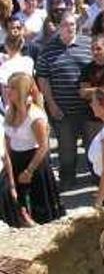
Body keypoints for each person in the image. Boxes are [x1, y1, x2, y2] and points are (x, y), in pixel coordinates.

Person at [36, 12, 98, 189]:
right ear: (58, 27)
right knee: (66, 151)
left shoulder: (87, 45)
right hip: (63, 111)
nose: (69, 28)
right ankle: (67, 182)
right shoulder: (47, 50)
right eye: (65, 25)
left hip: (89, 110)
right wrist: (51, 104)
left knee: (93, 147)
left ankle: (98, 179)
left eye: (72, 24)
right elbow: (43, 79)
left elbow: (98, 68)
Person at [3, 73, 64, 224]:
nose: (7, 91)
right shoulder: (9, 111)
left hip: (35, 162)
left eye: (12, 88)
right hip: (16, 161)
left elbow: (43, 146)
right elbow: (8, 143)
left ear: (22, 91)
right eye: (7, 87)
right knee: (19, 209)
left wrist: (29, 170)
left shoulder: (35, 115)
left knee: (40, 208)